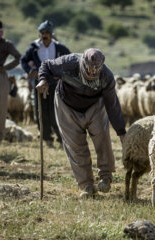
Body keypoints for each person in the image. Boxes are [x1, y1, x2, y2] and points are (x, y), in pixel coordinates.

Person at [36, 48, 126, 198]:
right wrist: (43, 79)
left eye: (96, 69)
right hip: (67, 105)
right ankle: (86, 185)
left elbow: (112, 105)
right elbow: (46, 65)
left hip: (94, 106)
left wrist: (121, 131)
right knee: (76, 145)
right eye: (89, 68)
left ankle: (105, 176)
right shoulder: (69, 63)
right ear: (83, 63)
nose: (92, 73)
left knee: (102, 138)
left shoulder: (107, 76)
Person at [20, 20, 70, 147]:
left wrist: (62, 75)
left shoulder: (59, 48)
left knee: (56, 112)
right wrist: (31, 71)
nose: (45, 35)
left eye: (47, 32)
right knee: (41, 113)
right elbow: (23, 60)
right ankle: (47, 139)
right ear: (39, 34)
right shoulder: (34, 48)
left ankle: (61, 139)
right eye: (42, 33)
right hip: (39, 84)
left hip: (55, 84)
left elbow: (70, 60)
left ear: (51, 34)